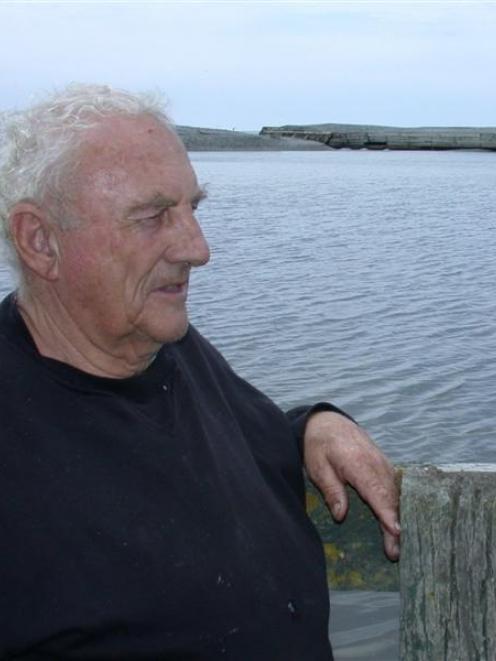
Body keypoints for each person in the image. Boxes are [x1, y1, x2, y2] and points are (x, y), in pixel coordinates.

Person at [0, 84, 399, 660]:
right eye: (152, 216)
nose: (198, 248)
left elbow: (243, 439)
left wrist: (317, 425)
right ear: (40, 241)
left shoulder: (167, 349)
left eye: (193, 208)